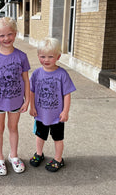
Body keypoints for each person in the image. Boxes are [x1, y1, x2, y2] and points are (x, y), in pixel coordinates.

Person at [0, 17, 30, 176]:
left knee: (13, 128)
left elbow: (25, 79)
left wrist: (27, 99)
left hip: (16, 101)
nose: (6, 38)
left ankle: (13, 156)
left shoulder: (21, 56)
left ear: (15, 33)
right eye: (2, 35)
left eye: (10, 34)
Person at [29, 37, 76, 172]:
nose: (46, 60)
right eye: (43, 56)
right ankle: (39, 154)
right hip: (40, 114)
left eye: (51, 56)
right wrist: (32, 106)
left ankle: (58, 159)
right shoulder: (37, 73)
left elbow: (67, 94)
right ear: (38, 56)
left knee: (58, 138)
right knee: (39, 136)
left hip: (57, 116)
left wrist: (65, 111)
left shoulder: (62, 74)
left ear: (58, 57)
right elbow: (32, 91)